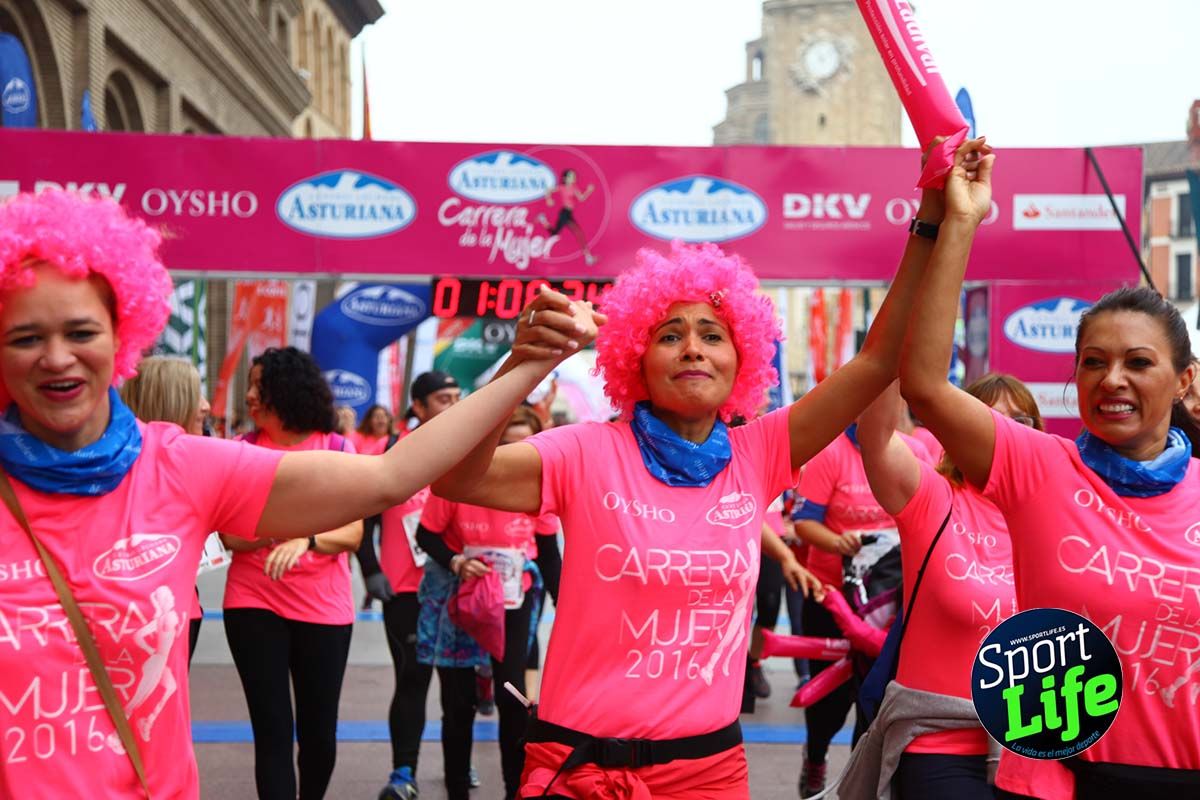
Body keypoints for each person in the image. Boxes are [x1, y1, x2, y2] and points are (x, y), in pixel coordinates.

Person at [0, 189, 598, 799]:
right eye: (24, 337)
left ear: (122, 334)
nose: (56, 358)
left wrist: (526, 364)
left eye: (81, 331)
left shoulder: (177, 466)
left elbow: (389, 478)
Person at [432, 189, 944, 798]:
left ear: (741, 359)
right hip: (578, 769)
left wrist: (933, 222)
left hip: (709, 773)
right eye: (670, 335)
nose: (693, 348)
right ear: (636, 358)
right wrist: (525, 364)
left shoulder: (760, 453)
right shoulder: (585, 451)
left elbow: (879, 360)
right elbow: (455, 476)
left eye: (713, 334)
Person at [900, 138, 1200, 797]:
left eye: (1138, 362)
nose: (1112, 379)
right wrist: (960, 221)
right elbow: (923, 383)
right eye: (1093, 362)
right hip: (1053, 783)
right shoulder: (1038, 466)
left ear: (1184, 380)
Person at [851, 377, 1038, 799]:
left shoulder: (1050, 511)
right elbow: (876, 438)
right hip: (940, 745)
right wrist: (893, 350)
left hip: (1037, 742)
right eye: (988, 418)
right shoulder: (931, 497)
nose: (1004, 431)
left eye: (1020, 420)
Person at [220, 346, 364, 800]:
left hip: (324, 607)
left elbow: (353, 532)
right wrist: (280, 532)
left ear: (285, 390)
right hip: (252, 601)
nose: (249, 396)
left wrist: (308, 539)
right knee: (272, 731)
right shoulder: (240, 452)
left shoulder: (336, 448)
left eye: (257, 385)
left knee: (319, 734)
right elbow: (231, 535)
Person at [412, 405, 560, 800]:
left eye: (527, 447)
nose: (518, 456)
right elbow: (426, 536)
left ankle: (515, 790)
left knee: (512, 699)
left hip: (514, 604)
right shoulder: (461, 480)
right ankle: (457, 790)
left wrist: (567, 608)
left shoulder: (539, 487)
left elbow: (549, 554)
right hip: (465, 602)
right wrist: (457, 561)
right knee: (458, 704)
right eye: (507, 446)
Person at [791, 402, 932, 796]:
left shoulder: (914, 451)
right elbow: (804, 523)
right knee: (829, 704)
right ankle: (815, 755)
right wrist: (839, 543)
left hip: (890, 602)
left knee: (874, 698)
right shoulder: (830, 454)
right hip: (831, 597)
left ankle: (861, 783)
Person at [363, 371, 464, 800]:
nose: (454, 405)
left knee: (457, 686)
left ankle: (460, 762)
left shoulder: (468, 450)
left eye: (457, 397)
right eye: (443, 398)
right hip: (405, 590)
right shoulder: (391, 452)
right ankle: (403, 772)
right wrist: (371, 569)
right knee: (412, 678)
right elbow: (362, 517)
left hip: (459, 588)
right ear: (418, 406)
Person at [120, 355, 213, 662]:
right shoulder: (116, 470)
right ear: (169, 402)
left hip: (181, 606)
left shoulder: (201, 462)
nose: (205, 406)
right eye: (193, 394)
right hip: (132, 614)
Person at [536, 169, 597, 266]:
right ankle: (588, 257)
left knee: (554, 233)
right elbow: (548, 190)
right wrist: (549, 199)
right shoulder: (562, 187)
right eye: (571, 176)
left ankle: (543, 219)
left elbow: (581, 198)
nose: (574, 178)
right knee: (578, 233)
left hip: (568, 213)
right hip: (564, 213)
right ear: (565, 178)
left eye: (574, 176)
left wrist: (589, 191)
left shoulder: (574, 187)